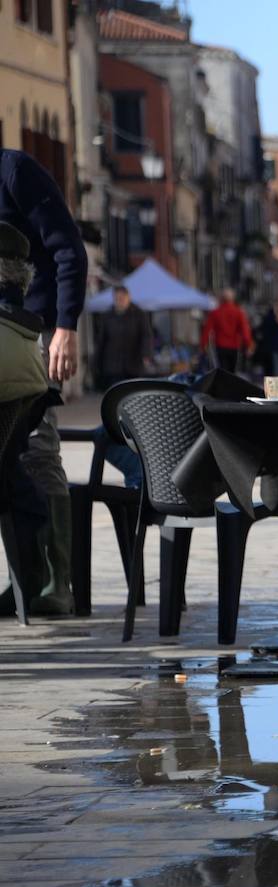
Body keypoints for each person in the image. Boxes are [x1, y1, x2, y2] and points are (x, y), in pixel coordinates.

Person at [0, 149, 89, 618]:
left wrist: (65, 327)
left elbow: (68, 250)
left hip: (26, 336)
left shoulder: (14, 171)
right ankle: (23, 578)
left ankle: (57, 582)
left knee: (36, 448)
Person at [93, 285, 153, 390]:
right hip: (113, 366)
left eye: (122, 298)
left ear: (128, 298)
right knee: (116, 393)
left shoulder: (139, 314)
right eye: (117, 298)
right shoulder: (107, 316)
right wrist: (97, 362)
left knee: (132, 393)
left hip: (133, 365)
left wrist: (146, 354)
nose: (119, 301)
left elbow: (146, 335)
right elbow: (101, 341)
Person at [200, 287, 254, 373]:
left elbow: (207, 329)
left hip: (220, 346)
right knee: (232, 371)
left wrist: (203, 345)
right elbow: (245, 330)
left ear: (221, 298)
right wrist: (249, 344)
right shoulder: (238, 312)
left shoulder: (215, 313)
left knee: (223, 371)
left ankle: (225, 385)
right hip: (234, 346)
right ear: (233, 299)